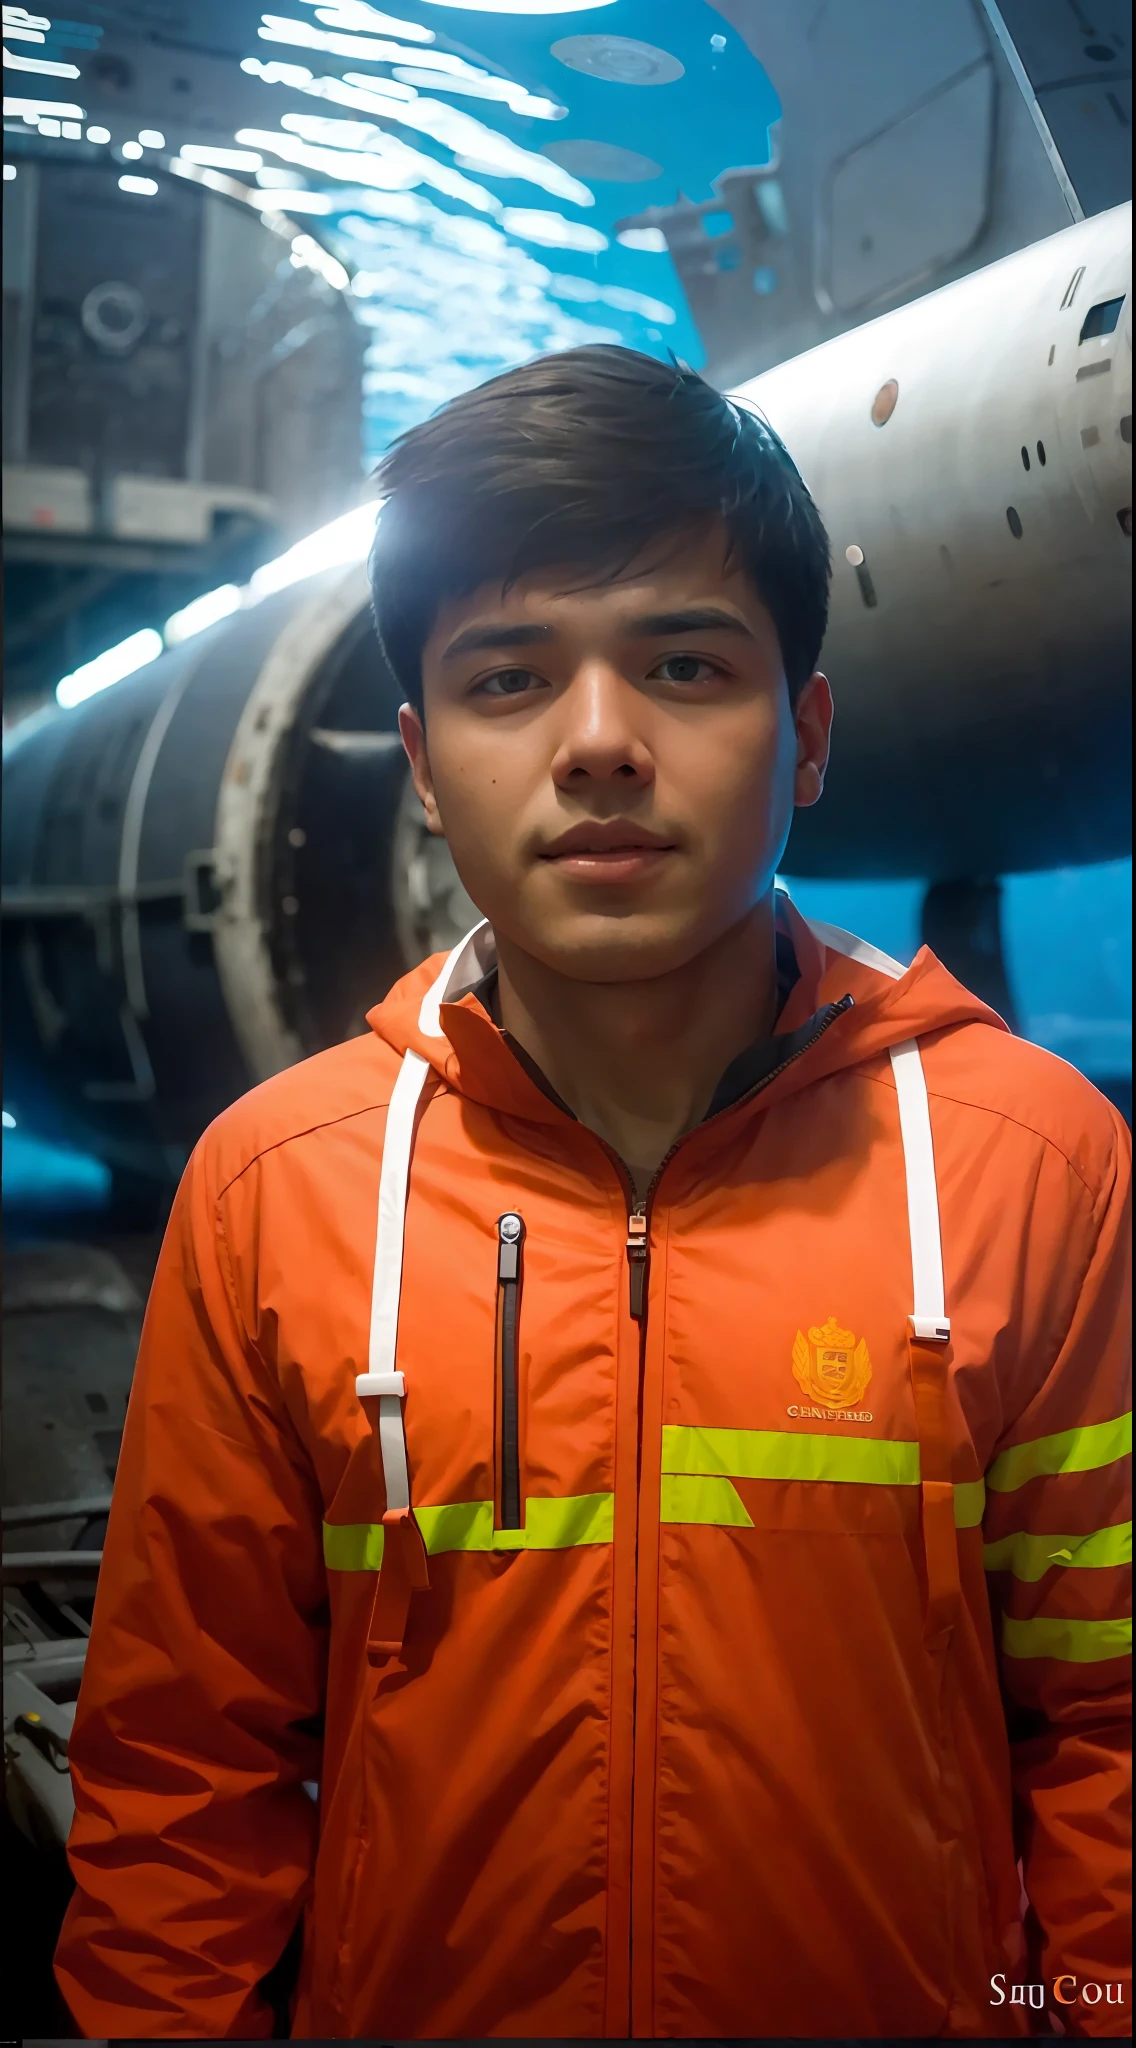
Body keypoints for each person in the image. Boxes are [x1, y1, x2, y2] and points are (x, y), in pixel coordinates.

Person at [56, 347, 1130, 2040]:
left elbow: (1112, 1732)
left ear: (810, 735)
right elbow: (183, 1778)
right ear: (419, 758)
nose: (602, 745)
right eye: (508, 680)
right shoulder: (277, 1192)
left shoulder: (1031, 1168)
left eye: (688, 666)